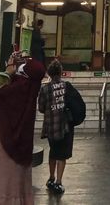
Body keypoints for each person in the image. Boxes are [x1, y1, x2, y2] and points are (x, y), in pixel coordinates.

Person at [0, 51, 46, 204]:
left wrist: (8, 72)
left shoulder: (18, 87)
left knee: (4, 177)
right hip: (24, 144)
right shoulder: (30, 89)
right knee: (17, 181)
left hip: (6, 141)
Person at [38, 59, 74, 195]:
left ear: (49, 73)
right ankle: (59, 181)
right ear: (61, 72)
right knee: (62, 154)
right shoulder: (66, 87)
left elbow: (41, 108)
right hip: (63, 125)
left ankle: (51, 177)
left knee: (53, 151)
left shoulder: (44, 89)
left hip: (50, 125)